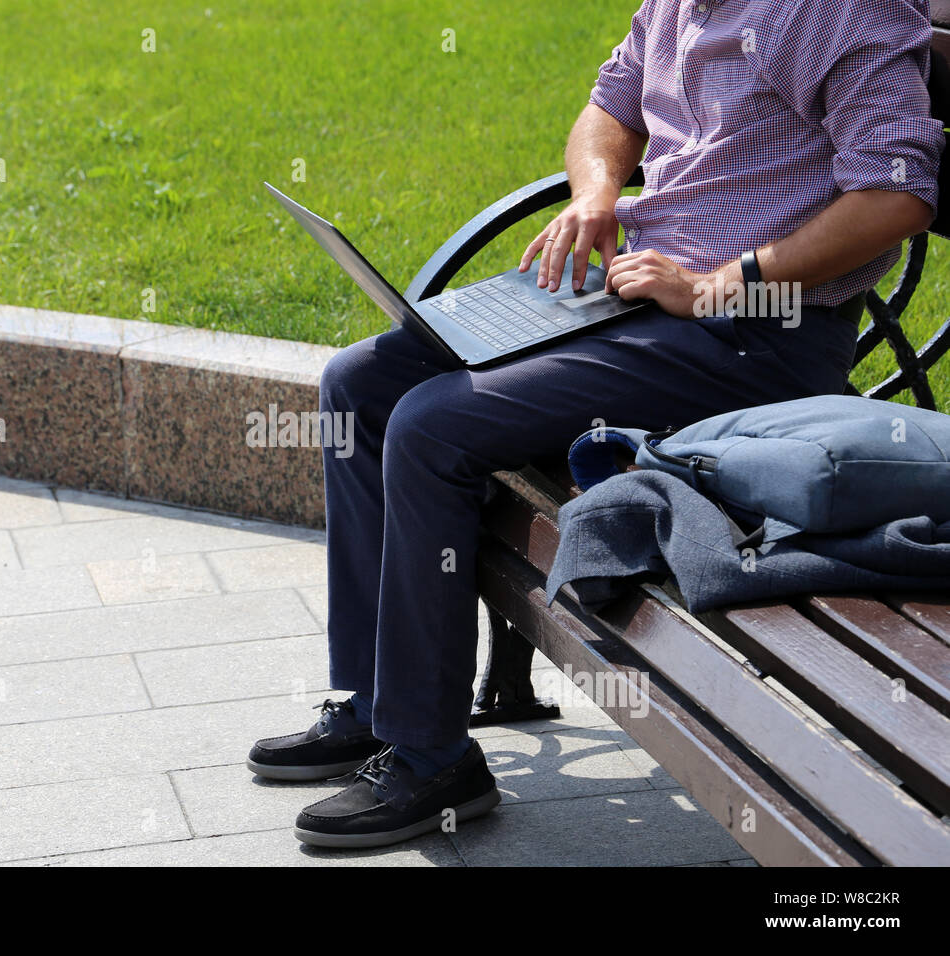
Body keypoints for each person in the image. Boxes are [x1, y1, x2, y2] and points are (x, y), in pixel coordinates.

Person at [249, 0, 944, 849]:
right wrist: (597, 194)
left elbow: (896, 195)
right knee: (358, 385)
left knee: (432, 426)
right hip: (636, 294)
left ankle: (433, 760)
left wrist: (721, 283)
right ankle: (371, 699)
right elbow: (609, 108)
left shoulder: (841, 11)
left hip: (753, 335)